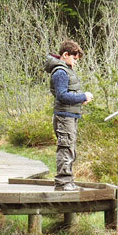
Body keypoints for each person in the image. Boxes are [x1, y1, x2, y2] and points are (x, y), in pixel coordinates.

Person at [44, 40, 93, 191]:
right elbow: (62, 96)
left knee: (70, 148)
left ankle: (68, 182)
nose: (75, 62)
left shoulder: (66, 70)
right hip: (64, 116)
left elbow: (68, 93)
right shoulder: (60, 72)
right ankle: (63, 183)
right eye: (74, 58)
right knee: (65, 148)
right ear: (65, 55)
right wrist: (82, 96)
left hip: (70, 115)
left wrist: (80, 99)